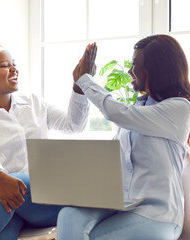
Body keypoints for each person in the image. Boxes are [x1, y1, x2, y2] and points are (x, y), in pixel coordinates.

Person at [57, 36, 190, 239]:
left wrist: (85, 80)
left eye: (135, 65)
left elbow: (117, 113)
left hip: (157, 215)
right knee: (69, 216)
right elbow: (112, 161)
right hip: (124, 205)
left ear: (155, 70)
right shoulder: (139, 108)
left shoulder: (180, 108)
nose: (129, 71)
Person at [0, 40, 90, 239]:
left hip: (45, 200)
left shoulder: (35, 104)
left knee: (14, 183)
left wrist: (80, 86)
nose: (14, 69)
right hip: (4, 200)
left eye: (14, 64)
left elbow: (74, 125)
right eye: (4, 66)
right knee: (2, 227)